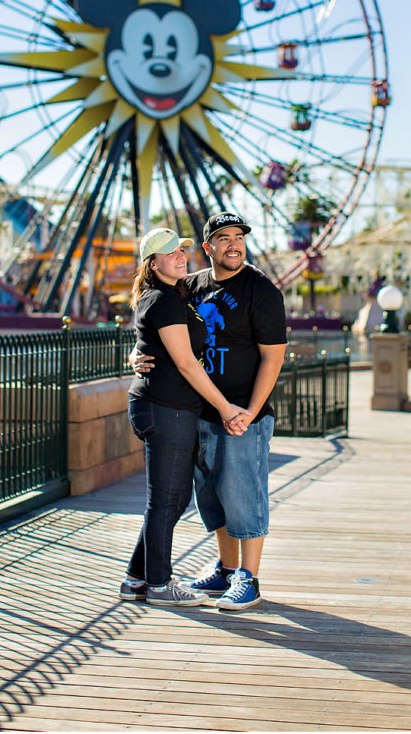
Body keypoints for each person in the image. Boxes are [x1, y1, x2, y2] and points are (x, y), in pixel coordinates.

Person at [133, 212, 287, 611]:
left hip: (240, 413)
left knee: (244, 495)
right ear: (208, 248)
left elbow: (273, 358)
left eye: (239, 237)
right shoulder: (193, 286)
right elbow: (161, 326)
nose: (233, 244)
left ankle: (248, 578)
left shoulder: (262, 290)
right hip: (198, 411)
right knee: (211, 496)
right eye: (223, 238)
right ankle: (225, 568)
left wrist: (250, 411)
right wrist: (136, 353)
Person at [120, 227, 248, 607]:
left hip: (166, 407)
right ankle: (159, 585)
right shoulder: (164, 300)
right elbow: (188, 364)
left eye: (181, 250)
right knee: (166, 501)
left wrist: (133, 354)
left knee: (170, 500)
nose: (180, 257)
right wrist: (226, 408)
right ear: (152, 262)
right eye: (170, 253)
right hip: (166, 410)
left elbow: (150, 341)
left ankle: (136, 580)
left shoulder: (172, 295)